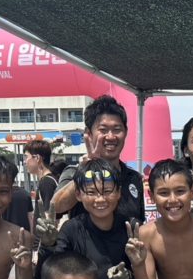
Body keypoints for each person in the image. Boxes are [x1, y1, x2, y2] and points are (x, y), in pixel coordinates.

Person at [50, 94, 145, 227]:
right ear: (89, 133)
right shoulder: (74, 172)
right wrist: (85, 170)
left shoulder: (134, 178)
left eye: (117, 130)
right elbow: (55, 207)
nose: (110, 137)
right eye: (103, 130)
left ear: (126, 132)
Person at [23, 138, 60, 208]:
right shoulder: (48, 180)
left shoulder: (47, 182)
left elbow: (48, 213)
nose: (25, 162)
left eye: (26, 157)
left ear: (37, 158)